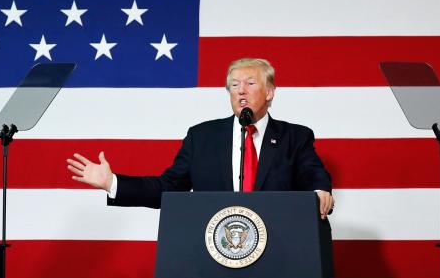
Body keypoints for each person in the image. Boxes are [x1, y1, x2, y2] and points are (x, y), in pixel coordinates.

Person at [67, 57, 335, 219]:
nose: (241, 91)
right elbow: (169, 188)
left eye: (250, 84)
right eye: (234, 85)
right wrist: (113, 183)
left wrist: (320, 192)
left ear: (269, 92)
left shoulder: (295, 137)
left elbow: (313, 174)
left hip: (279, 250)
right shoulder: (202, 137)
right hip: (214, 254)